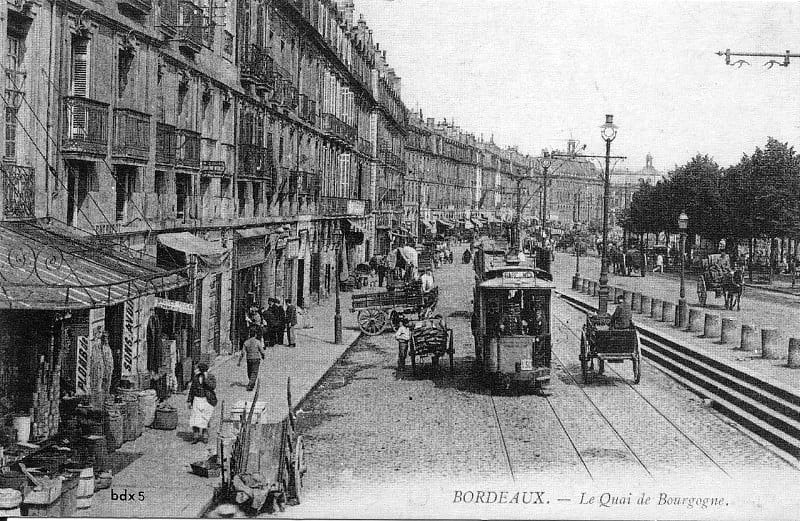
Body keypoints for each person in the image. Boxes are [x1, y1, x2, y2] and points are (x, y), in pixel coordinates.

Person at [187, 362, 216, 444]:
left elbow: (212, 386)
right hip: (196, 399)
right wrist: (189, 400)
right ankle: (195, 436)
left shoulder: (210, 377)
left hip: (206, 400)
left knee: (205, 418)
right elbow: (192, 390)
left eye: (198, 369)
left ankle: (205, 436)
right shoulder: (196, 377)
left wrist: (206, 378)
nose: (196, 370)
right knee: (195, 418)